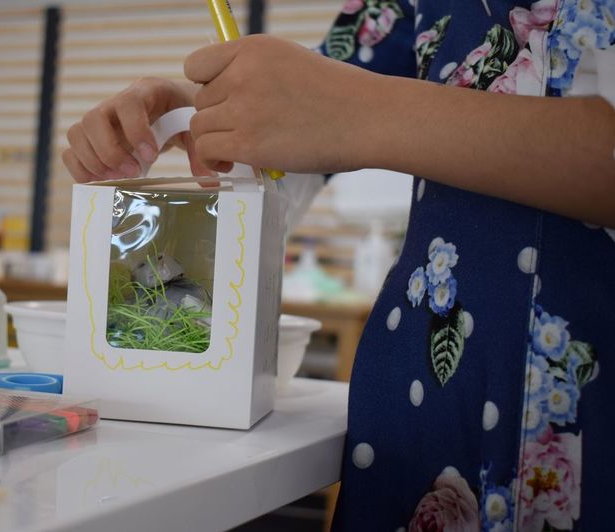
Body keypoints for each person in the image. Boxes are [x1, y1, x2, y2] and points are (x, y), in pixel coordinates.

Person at [63, 0, 615, 529]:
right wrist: (217, 117)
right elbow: (303, 140)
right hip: (428, 420)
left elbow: (342, 106)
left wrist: (358, 110)